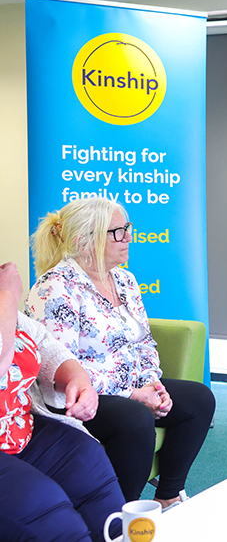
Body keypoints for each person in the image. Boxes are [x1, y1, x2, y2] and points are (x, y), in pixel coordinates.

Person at [25, 197, 215, 506]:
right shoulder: (55, 288)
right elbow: (60, 367)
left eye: (127, 228)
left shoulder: (125, 280)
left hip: (129, 388)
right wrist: (132, 394)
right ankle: (118, 515)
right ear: (83, 241)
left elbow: (143, 342)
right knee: (135, 418)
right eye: (117, 231)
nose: (129, 237)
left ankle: (168, 496)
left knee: (198, 399)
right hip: (75, 400)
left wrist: (152, 384)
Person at [0, 261, 125, 542]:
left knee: (86, 459)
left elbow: (42, 343)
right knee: (41, 504)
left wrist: (77, 379)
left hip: (17, 428)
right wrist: (7, 294)